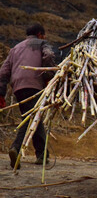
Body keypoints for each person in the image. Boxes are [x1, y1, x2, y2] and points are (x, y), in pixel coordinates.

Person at [0, 23, 56, 169]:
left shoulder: (15, 49)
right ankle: (15, 148)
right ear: (40, 34)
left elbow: (3, 72)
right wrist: (49, 76)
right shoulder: (42, 43)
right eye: (44, 35)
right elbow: (49, 55)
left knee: (34, 116)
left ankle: (42, 155)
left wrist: (1, 93)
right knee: (30, 118)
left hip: (18, 87)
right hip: (34, 85)